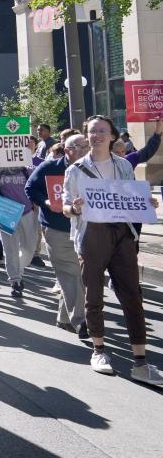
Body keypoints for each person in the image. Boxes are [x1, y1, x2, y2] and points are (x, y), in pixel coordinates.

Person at [63, 115, 163, 384]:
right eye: (92, 131)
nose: (96, 135)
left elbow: (130, 198)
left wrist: (146, 203)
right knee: (93, 295)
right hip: (92, 235)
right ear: (87, 136)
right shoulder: (76, 170)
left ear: (112, 136)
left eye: (101, 131)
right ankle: (99, 350)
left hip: (122, 235)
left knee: (132, 295)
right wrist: (75, 208)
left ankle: (140, 362)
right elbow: (65, 206)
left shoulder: (123, 166)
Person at [26, 133, 87, 338]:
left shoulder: (92, 169)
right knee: (72, 272)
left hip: (85, 228)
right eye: (78, 146)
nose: (83, 149)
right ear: (67, 149)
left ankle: (64, 318)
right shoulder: (49, 167)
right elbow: (31, 188)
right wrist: (46, 203)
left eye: (85, 146)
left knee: (71, 274)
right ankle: (80, 320)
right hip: (57, 228)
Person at [0, 152, 37, 300]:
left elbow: (38, 186)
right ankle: (15, 281)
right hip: (7, 212)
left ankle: (18, 270)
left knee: (30, 247)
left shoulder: (28, 169)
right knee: (10, 249)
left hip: (27, 212)